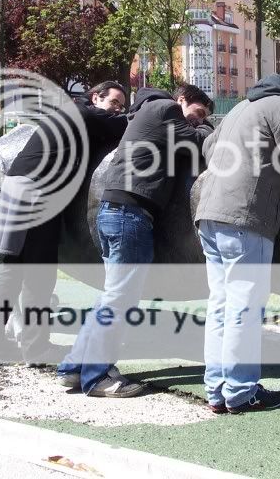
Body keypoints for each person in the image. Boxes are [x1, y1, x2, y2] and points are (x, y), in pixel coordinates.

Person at [56, 84, 214, 397]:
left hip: (119, 211)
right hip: (131, 213)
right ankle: (98, 376)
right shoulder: (164, 109)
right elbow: (198, 141)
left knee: (113, 294)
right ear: (181, 100)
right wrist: (209, 128)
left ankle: (74, 366)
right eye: (197, 114)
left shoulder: (147, 115)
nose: (197, 122)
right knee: (121, 297)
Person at [193, 74, 280, 414]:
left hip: (210, 215)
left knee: (221, 307)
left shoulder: (242, 107)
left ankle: (216, 389)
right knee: (244, 308)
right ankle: (242, 392)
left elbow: (208, 147)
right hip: (245, 219)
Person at [0, 81, 128, 365]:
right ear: (96, 97)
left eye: (121, 105)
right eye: (114, 103)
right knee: (37, 273)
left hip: (23, 190)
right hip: (34, 194)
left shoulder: (73, 115)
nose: (117, 110)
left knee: (14, 272)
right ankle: (32, 349)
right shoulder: (83, 112)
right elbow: (123, 126)